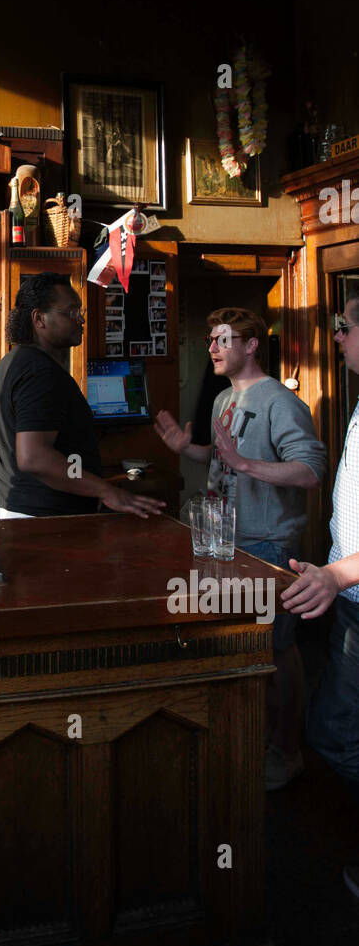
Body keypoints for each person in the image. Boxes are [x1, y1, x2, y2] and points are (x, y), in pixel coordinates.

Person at [154, 307, 326, 791]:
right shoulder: (223, 399)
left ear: (250, 346)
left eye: (222, 339)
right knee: (239, 647)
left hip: (268, 544)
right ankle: (251, 740)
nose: (212, 347)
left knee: (277, 650)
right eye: (210, 339)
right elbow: (222, 457)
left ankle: (286, 752)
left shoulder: (280, 402)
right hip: (225, 543)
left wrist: (247, 464)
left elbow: (310, 471)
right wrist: (187, 450)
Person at [282, 296, 359, 899]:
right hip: (352, 600)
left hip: (351, 594)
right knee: (334, 730)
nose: (336, 337)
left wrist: (336, 576)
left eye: (345, 326)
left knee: (334, 732)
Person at [0, 273, 164, 520]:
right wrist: (104, 490)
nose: (81, 319)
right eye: (71, 312)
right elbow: (34, 457)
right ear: (39, 319)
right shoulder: (39, 372)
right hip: (41, 519)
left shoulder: (16, 360)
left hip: (27, 510)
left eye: (79, 311)